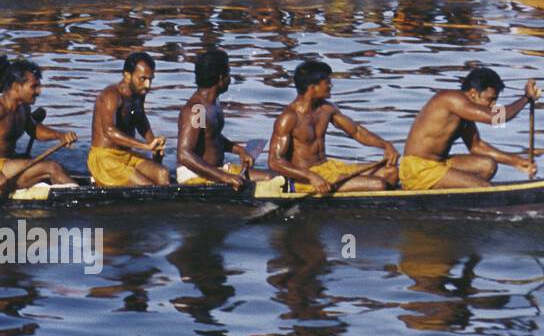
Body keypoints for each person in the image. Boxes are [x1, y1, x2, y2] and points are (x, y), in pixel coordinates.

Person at [267, 60, 399, 194]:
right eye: (327, 82)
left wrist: (385, 145)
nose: (331, 86)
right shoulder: (289, 118)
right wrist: (311, 176)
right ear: (313, 87)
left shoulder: (327, 109)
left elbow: (356, 131)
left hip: (329, 168)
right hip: (305, 180)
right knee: (378, 184)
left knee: (391, 172)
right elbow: (274, 161)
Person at [400, 67, 540, 190]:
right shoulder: (451, 99)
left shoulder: (464, 110)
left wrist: (516, 161)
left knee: (487, 165)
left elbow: (476, 146)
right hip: (417, 170)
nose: (493, 104)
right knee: (484, 189)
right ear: (473, 93)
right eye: (490, 99)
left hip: (438, 164)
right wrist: (526, 99)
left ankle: (451, 192)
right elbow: (495, 118)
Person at [175, 48, 272, 185]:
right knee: (269, 180)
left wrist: (239, 150)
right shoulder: (197, 110)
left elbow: (210, 135)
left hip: (216, 172)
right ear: (221, 78)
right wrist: (224, 177)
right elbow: (185, 155)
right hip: (194, 177)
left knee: (271, 177)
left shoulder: (212, 103)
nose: (230, 79)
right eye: (228, 74)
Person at [89, 51, 169, 187]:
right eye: (143, 79)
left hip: (127, 155)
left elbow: (141, 120)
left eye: (151, 79)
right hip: (104, 158)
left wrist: (154, 145)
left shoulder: (139, 94)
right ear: (127, 76)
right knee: (147, 186)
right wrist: (145, 146)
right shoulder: (111, 95)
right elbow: (109, 131)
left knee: (163, 174)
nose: (148, 85)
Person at [0, 57, 77, 189]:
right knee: (52, 167)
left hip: (9, 162)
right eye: (34, 86)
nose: (39, 91)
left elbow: (35, 130)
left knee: (58, 169)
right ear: (16, 86)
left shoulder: (23, 108)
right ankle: (81, 201)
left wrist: (60, 136)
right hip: (2, 169)